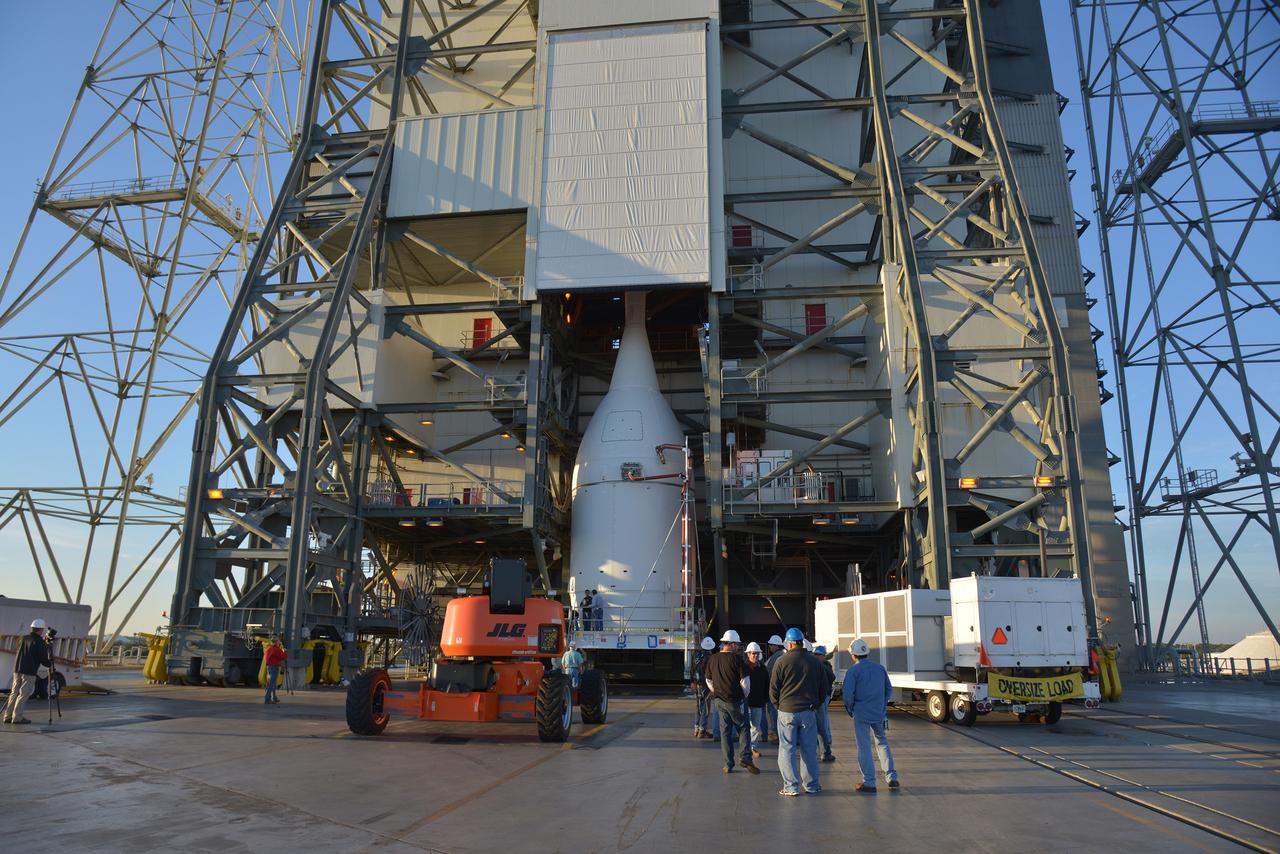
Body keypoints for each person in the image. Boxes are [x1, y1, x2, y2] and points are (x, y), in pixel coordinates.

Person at [769, 627, 823, 796]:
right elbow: (824, 688)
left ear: (790, 644)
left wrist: (778, 705)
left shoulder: (782, 662)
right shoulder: (814, 662)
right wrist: (816, 704)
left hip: (786, 711)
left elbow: (773, 689)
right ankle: (811, 786)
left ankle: (791, 787)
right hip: (808, 711)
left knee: (786, 749)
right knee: (809, 750)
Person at [841, 638, 899, 793]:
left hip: (861, 714)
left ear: (853, 655)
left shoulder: (853, 671)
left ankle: (869, 782)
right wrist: (881, 705)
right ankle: (892, 777)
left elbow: (847, 695)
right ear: (866, 653)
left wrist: (851, 709)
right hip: (879, 713)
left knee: (864, 746)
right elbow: (888, 689)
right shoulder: (880, 668)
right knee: (882, 743)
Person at [705, 629, 758, 774]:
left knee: (725, 732)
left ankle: (728, 764)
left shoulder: (713, 659)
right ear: (732, 644)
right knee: (744, 728)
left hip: (719, 701)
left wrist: (716, 691)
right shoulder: (737, 659)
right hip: (736, 700)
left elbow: (708, 680)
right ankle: (745, 758)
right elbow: (745, 682)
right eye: (737, 644)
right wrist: (743, 696)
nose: (738, 647)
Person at [4, 618, 52, 724]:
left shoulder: (23, 638)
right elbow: (43, 659)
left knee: (14, 692)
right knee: (23, 694)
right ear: (40, 630)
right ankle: (17, 718)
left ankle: (7, 716)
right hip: (29, 671)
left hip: (17, 669)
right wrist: (50, 663)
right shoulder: (39, 641)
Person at [743, 642, 769, 760]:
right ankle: (746, 748)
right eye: (753, 653)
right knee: (745, 727)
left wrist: (766, 699)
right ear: (748, 654)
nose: (755, 656)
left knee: (756, 727)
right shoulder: (743, 668)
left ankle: (752, 747)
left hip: (758, 703)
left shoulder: (763, 668)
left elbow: (767, 685)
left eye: (757, 654)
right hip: (745, 703)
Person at [813, 644, 836, 763]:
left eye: (818, 655)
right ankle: (825, 748)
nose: (816, 656)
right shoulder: (823, 665)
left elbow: (832, 677)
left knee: (821, 723)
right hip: (820, 697)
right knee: (821, 723)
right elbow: (832, 677)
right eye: (815, 654)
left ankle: (825, 746)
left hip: (821, 697)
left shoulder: (823, 665)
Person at [692, 636, 716, 739]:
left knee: (699, 707)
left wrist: (692, 682)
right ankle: (702, 730)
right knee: (705, 707)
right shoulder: (710, 657)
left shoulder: (696, 655)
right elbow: (712, 674)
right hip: (706, 685)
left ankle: (696, 729)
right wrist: (713, 688)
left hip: (697, 684)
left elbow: (692, 669)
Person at [764, 633, 785, 743]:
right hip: (780, 690)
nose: (770, 646)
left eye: (772, 645)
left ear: (777, 646)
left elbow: (769, 673)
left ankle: (776, 733)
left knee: (773, 712)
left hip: (774, 690)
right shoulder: (781, 655)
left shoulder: (776, 657)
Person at [263, 636, 287, 704]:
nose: (279, 642)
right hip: (274, 668)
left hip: (269, 667)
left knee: (273, 683)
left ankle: (274, 698)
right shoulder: (276, 649)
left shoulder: (269, 649)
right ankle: (267, 698)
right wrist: (284, 651)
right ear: (276, 642)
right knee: (272, 684)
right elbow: (284, 657)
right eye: (278, 641)